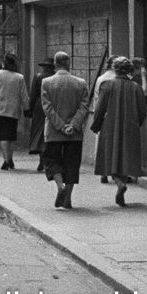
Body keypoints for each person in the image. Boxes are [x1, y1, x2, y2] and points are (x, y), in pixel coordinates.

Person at [91, 55, 147, 206]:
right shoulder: (136, 87)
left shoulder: (107, 86)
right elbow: (142, 111)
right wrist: (137, 123)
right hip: (131, 125)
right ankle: (122, 181)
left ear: (115, 69)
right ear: (129, 70)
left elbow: (100, 108)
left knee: (110, 156)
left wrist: (97, 125)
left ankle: (118, 182)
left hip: (110, 125)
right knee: (126, 156)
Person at [40, 51, 90, 209]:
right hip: (74, 134)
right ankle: (67, 198)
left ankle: (60, 186)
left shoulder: (47, 82)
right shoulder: (81, 82)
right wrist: (73, 125)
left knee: (51, 160)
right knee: (72, 164)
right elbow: (84, 107)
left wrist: (61, 126)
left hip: (54, 132)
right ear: (69, 63)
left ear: (55, 63)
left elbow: (47, 108)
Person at [27, 58, 56, 171]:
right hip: (53, 105)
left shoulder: (38, 76)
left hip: (39, 106)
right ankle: (48, 160)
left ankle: (41, 160)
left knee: (39, 132)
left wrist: (30, 109)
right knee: (50, 132)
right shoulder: (55, 77)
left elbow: (33, 94)